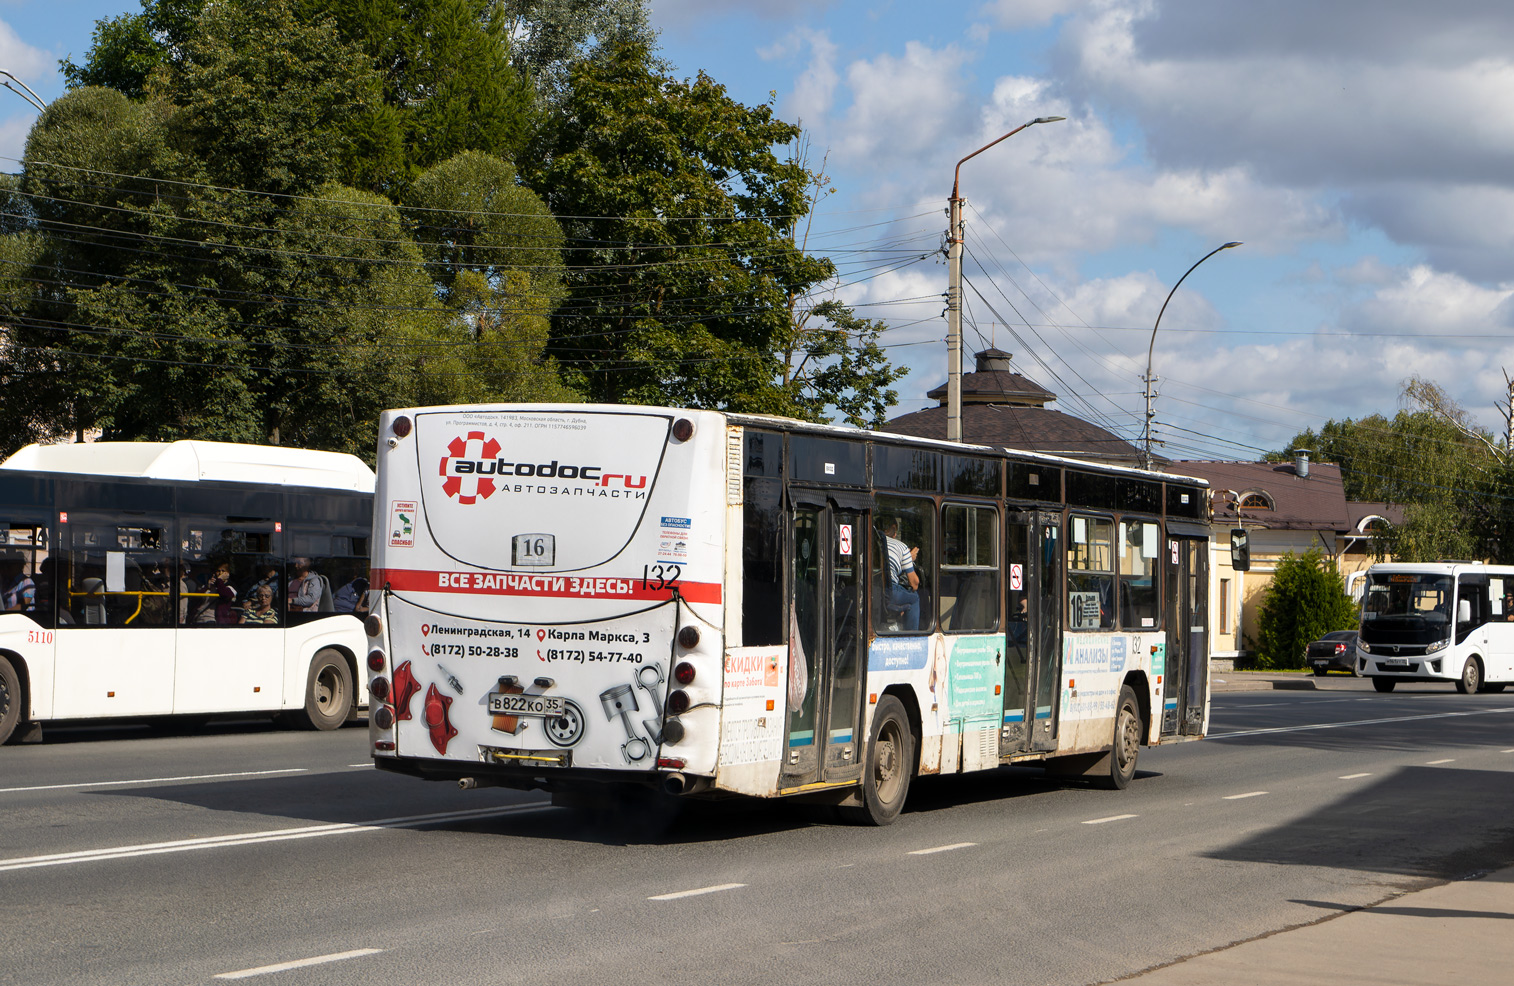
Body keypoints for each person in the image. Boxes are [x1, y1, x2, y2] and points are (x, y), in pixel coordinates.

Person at [881, 517, 921, 630]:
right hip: (889, 592)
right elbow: (914, 583)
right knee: (914, 598)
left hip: (872, 590)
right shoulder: (901, 547)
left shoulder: (870, 542)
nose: (895, 535)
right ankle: (912, 637)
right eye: (896, 531)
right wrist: (909, 559)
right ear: (893, 529)